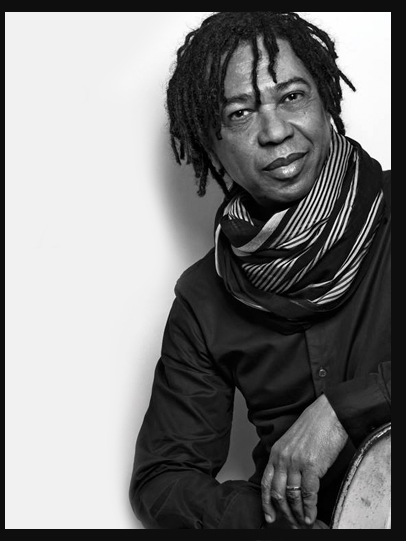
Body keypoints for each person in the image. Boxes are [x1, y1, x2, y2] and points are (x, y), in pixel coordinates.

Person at [129, 12, 391, 529]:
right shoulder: (204, 296)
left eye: (292, 96)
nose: (274, 131)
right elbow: (162, 479)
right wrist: (273, 523)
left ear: (325, 102)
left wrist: (345, 409)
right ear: (211, 143)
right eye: (240, 113)